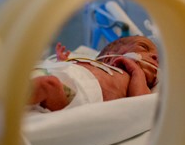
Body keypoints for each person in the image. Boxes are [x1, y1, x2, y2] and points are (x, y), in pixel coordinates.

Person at [29, 36, 159, 112]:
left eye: (157, 58)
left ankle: (9, 105)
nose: (155, 56)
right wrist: (62, 62)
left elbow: (142, 104)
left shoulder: (133, 78)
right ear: (109, 57)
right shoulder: (98, 65)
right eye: (144, 47)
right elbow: (71, 70)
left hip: (77, 93)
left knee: (47, 85)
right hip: (56, 73)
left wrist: (136, 72)